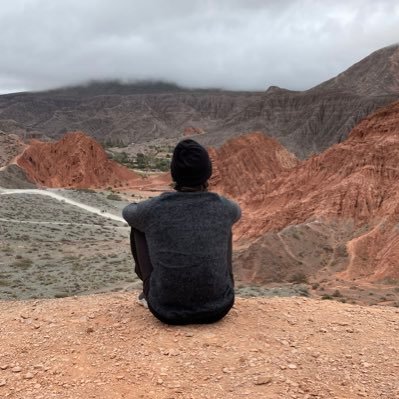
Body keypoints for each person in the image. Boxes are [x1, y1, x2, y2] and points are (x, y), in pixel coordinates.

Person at [122, 139, 241, 325]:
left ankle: (148, 291)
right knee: (225, 226)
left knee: (138, 226)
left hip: (165, 309)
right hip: (220, 307)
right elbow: (237, 212)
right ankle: (223, 284)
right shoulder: (225, 208)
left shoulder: (153, 210)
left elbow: (127, 212)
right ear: (207, 172)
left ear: (174, 173)